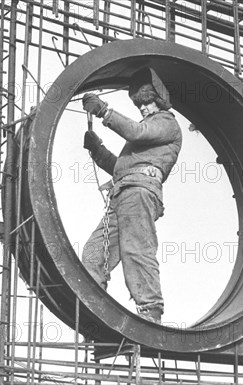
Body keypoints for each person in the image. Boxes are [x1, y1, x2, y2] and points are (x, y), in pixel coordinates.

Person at [80, 67, 182, 324]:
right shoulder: (146, 134)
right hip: (122, 194)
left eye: (147, 103)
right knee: (93, 254)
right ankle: (96, 310)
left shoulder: (167, 123)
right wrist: (97, 150)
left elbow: (135, 131)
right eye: (140, 105)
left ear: (157, 100)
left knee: (136, 250)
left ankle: (150, 311)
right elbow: (120, 168)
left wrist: (105, 111)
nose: (144, 109)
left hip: (139, 193)